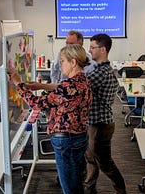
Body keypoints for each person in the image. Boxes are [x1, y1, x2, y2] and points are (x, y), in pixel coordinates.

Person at [8, 44, 93, 194]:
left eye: (62, 61)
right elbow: (63, 89)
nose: (60, 65)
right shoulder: (83, 81)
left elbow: (37, 103)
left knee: (69, 186)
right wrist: (40, 86)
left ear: (73, 62)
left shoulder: (67, 86)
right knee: (75, 179)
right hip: (79, 136)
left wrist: (18, 83)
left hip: (66, 139)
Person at [84, 33, 127, 194]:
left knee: (105, 163)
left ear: (102, 49)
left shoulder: (100, 73)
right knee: (90, 159)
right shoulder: (101, 69)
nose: (89, 51)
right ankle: (89, 189)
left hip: (100, 125)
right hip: (96, 122)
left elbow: (77, 86)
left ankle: (121, 190)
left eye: (92, 48)